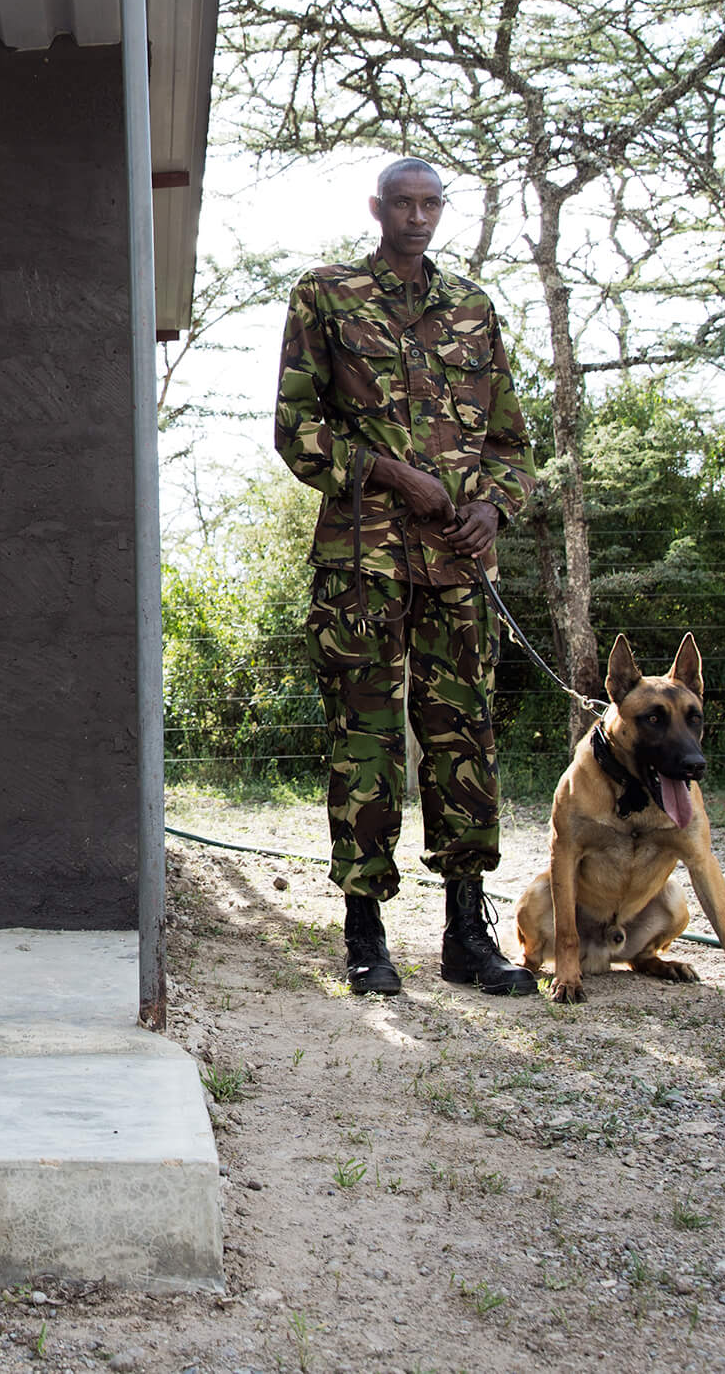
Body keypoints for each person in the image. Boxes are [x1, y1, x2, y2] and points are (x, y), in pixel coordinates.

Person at [272, 158, 539, 998]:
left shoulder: (474, 308)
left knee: (465, 739)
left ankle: (468, 935)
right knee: (367, 743)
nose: (418, 217)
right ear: (378, 208)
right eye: (404, 203)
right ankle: (365, 938)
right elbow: (296, 429)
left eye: (431, 203)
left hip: (460, 565)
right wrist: (390, 472)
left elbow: (512, 447)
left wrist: (494, 507)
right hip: (365, 564)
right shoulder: (327, 293)